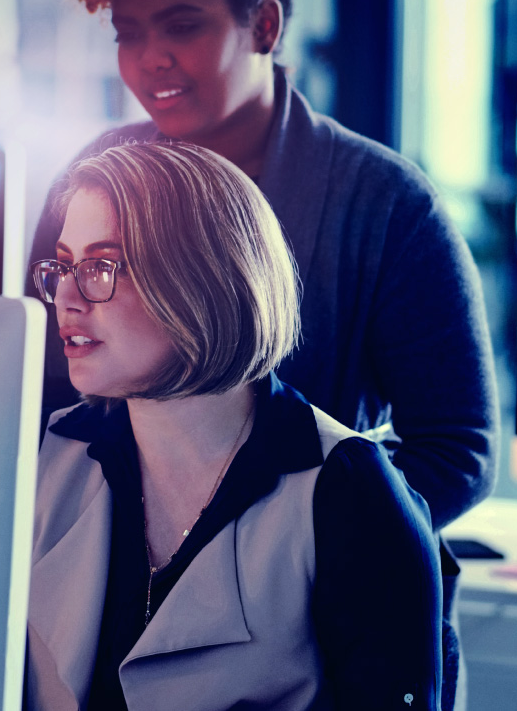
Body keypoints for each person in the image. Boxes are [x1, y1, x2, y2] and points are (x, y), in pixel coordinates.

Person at [27, 0, 496, 704]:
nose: (148, 62)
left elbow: (457, 444)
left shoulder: (383, 204)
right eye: (129, 33)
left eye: (184, 25)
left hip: (317, 620)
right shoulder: (96, 180)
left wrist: (328, 536)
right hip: (117, 580)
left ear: (267, 27)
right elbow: (53, 389)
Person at [25, 141, 441, 710]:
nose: (65, 298)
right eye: (63, 266)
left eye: (100, 266)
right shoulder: (44, 452)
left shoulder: (350, 493)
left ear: (200, 279)